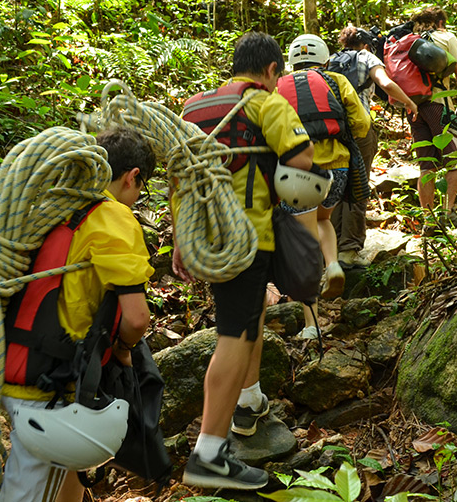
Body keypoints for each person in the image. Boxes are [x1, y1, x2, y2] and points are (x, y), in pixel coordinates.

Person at [173, 32, 314, 490]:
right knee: (232, 336)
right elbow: (303, 156)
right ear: (273, 70)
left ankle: (250, 402)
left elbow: (181, 175)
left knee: (247, 321)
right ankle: (209, 454)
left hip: (206, 236)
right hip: (248, 238)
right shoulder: (263, 103)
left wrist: (181, 238)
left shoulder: (193, 107)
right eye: (278, 77)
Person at [0, 126, 156, 502]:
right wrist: (122, 349)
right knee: (27, 493)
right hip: (49, 387)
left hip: (11, 364)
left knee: (47, 482)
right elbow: (136, 319)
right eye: (142, 187)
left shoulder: (54, 207)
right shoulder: (112, 217)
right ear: (132, 176)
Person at [279, 33, 371, 313]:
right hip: (339, 168)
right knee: (322, 219)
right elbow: (362, 124)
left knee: (302, 245)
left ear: (291, 62)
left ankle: (311, 323)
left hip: (298, 172)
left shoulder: (278, 86)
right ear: (325, 59)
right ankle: (332, 264)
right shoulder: (337, 80)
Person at [329, 25, 418, 267]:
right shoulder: (366, 57)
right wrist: (409, 102)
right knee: (357, 185)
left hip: (332, 129)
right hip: (359, 128)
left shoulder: (330, 60)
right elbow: (384, 83)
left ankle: (333, 247)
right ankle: (349, 250)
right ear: (367, 44)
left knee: (336, 184)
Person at [408, 6, 457, 224]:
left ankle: (428, 220)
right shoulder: (446, 37)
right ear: (440, 22)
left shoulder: (408, 41)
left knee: (426, 165)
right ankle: (447, 214)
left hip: (414, 109)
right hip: (439, 105)